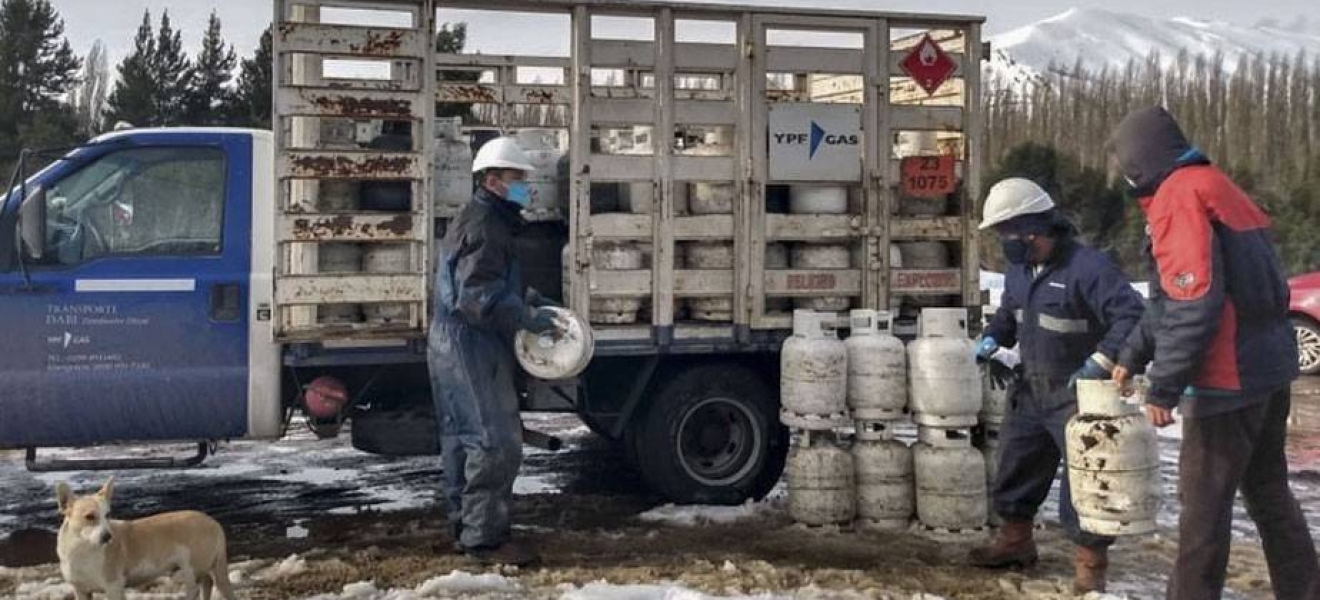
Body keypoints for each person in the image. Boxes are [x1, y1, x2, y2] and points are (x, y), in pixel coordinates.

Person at [1109, 106, 1320, 600]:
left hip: (1227, 379)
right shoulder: (1216, 184)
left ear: (1141, 162)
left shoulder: (1178, 198)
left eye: (1126, 169)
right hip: (1269, 370)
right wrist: (1131, 354)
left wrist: (1163, 386)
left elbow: (1194, 300)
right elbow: (1168, 298)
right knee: (1270, 494)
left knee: (1203, 510)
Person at [969, 177, 1146, 594]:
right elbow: (1011, 312)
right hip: (1031, 387)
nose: (1004, 242)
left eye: (1008, 232)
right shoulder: (1019, 269)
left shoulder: (1088, 269)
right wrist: (994, 336)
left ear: (1035, 227)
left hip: (1080, 394)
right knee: (1017, 465)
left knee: (1085, 482)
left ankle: (1089, 569)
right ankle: (1015, 542)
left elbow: (1132, 316)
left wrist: (1101, 361)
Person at [428, 136, 557, 566]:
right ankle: (484, 540)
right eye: (516, 177)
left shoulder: (484, 217)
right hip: (470, 340)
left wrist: (527, 299)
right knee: (495, 440)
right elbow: (476, 294)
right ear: (491, 180)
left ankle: (464, 527)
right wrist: (523, 315)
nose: (524, 185)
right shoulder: (486, 223)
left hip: (455, 339)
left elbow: (484, 281)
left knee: (463, 439)